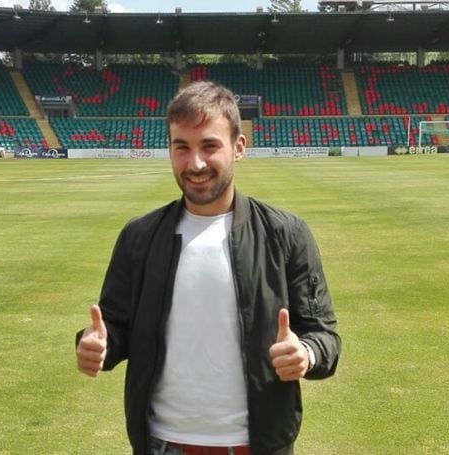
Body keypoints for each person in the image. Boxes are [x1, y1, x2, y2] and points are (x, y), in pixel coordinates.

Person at [76, 80, 341, 455]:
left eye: (209, 146)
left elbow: (324, 337)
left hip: (257, 445)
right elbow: (114, 327)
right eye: (181, 147)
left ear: (239, 147)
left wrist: (305, 353)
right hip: (162, 443)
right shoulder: (139, 236)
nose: (195, 163)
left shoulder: (286, 234)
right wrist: (96, 345)